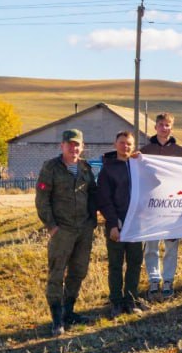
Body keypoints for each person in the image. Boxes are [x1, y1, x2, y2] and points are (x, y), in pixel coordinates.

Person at [35, 128, 98, 336]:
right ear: (62, 146)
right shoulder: (51, 168)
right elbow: (42, 199)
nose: (73, 148)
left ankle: (68, 311)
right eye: (69, 145)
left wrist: (92, 221)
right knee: (56, 273)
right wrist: (51, 226)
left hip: (84, 229)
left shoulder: (85, 168)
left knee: (78, 271)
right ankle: (56, 318)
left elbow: (93, 194)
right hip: (62, 229)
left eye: (77, 145)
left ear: (82, 146)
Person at [139, 112, 182, 300]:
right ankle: (154, 279)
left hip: (172, 205)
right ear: (155, 127)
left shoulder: (180, 151)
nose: (164, 128)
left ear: (171, 127)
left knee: (171, 245)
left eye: (167, 125)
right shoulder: (145, 151)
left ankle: (168, 280)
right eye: (161, 124)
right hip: (151, 205)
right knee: (151, 245)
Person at [96, 131, 144, 318]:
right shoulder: (107, 169)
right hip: (116, 223)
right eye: (122, 143)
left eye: (129, 143)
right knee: (116, 264)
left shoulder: (138, 167)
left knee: (134, 263)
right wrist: (113, 223)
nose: (126, 146)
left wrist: (143, 160)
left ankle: (131, 300)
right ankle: (116, 302)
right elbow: (104, 199)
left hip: (136, 225)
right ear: (115, 144)